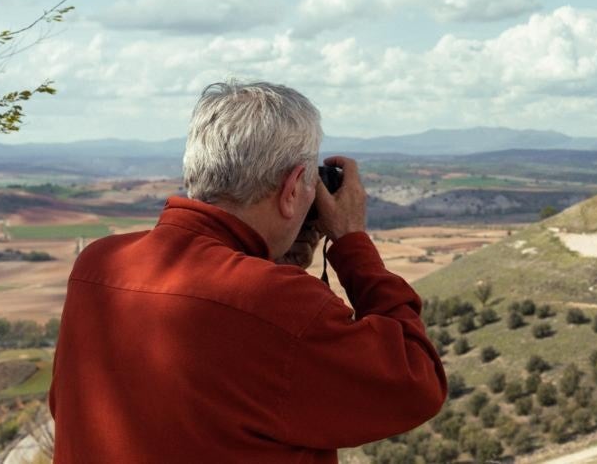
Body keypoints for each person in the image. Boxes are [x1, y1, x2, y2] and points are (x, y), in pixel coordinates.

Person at [48, 81, 446, 462]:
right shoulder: (278, 304)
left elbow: (70, 407)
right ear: (292, 189)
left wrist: (269, 264)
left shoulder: (98, 264)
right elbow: (416, 382)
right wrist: (351, 242)